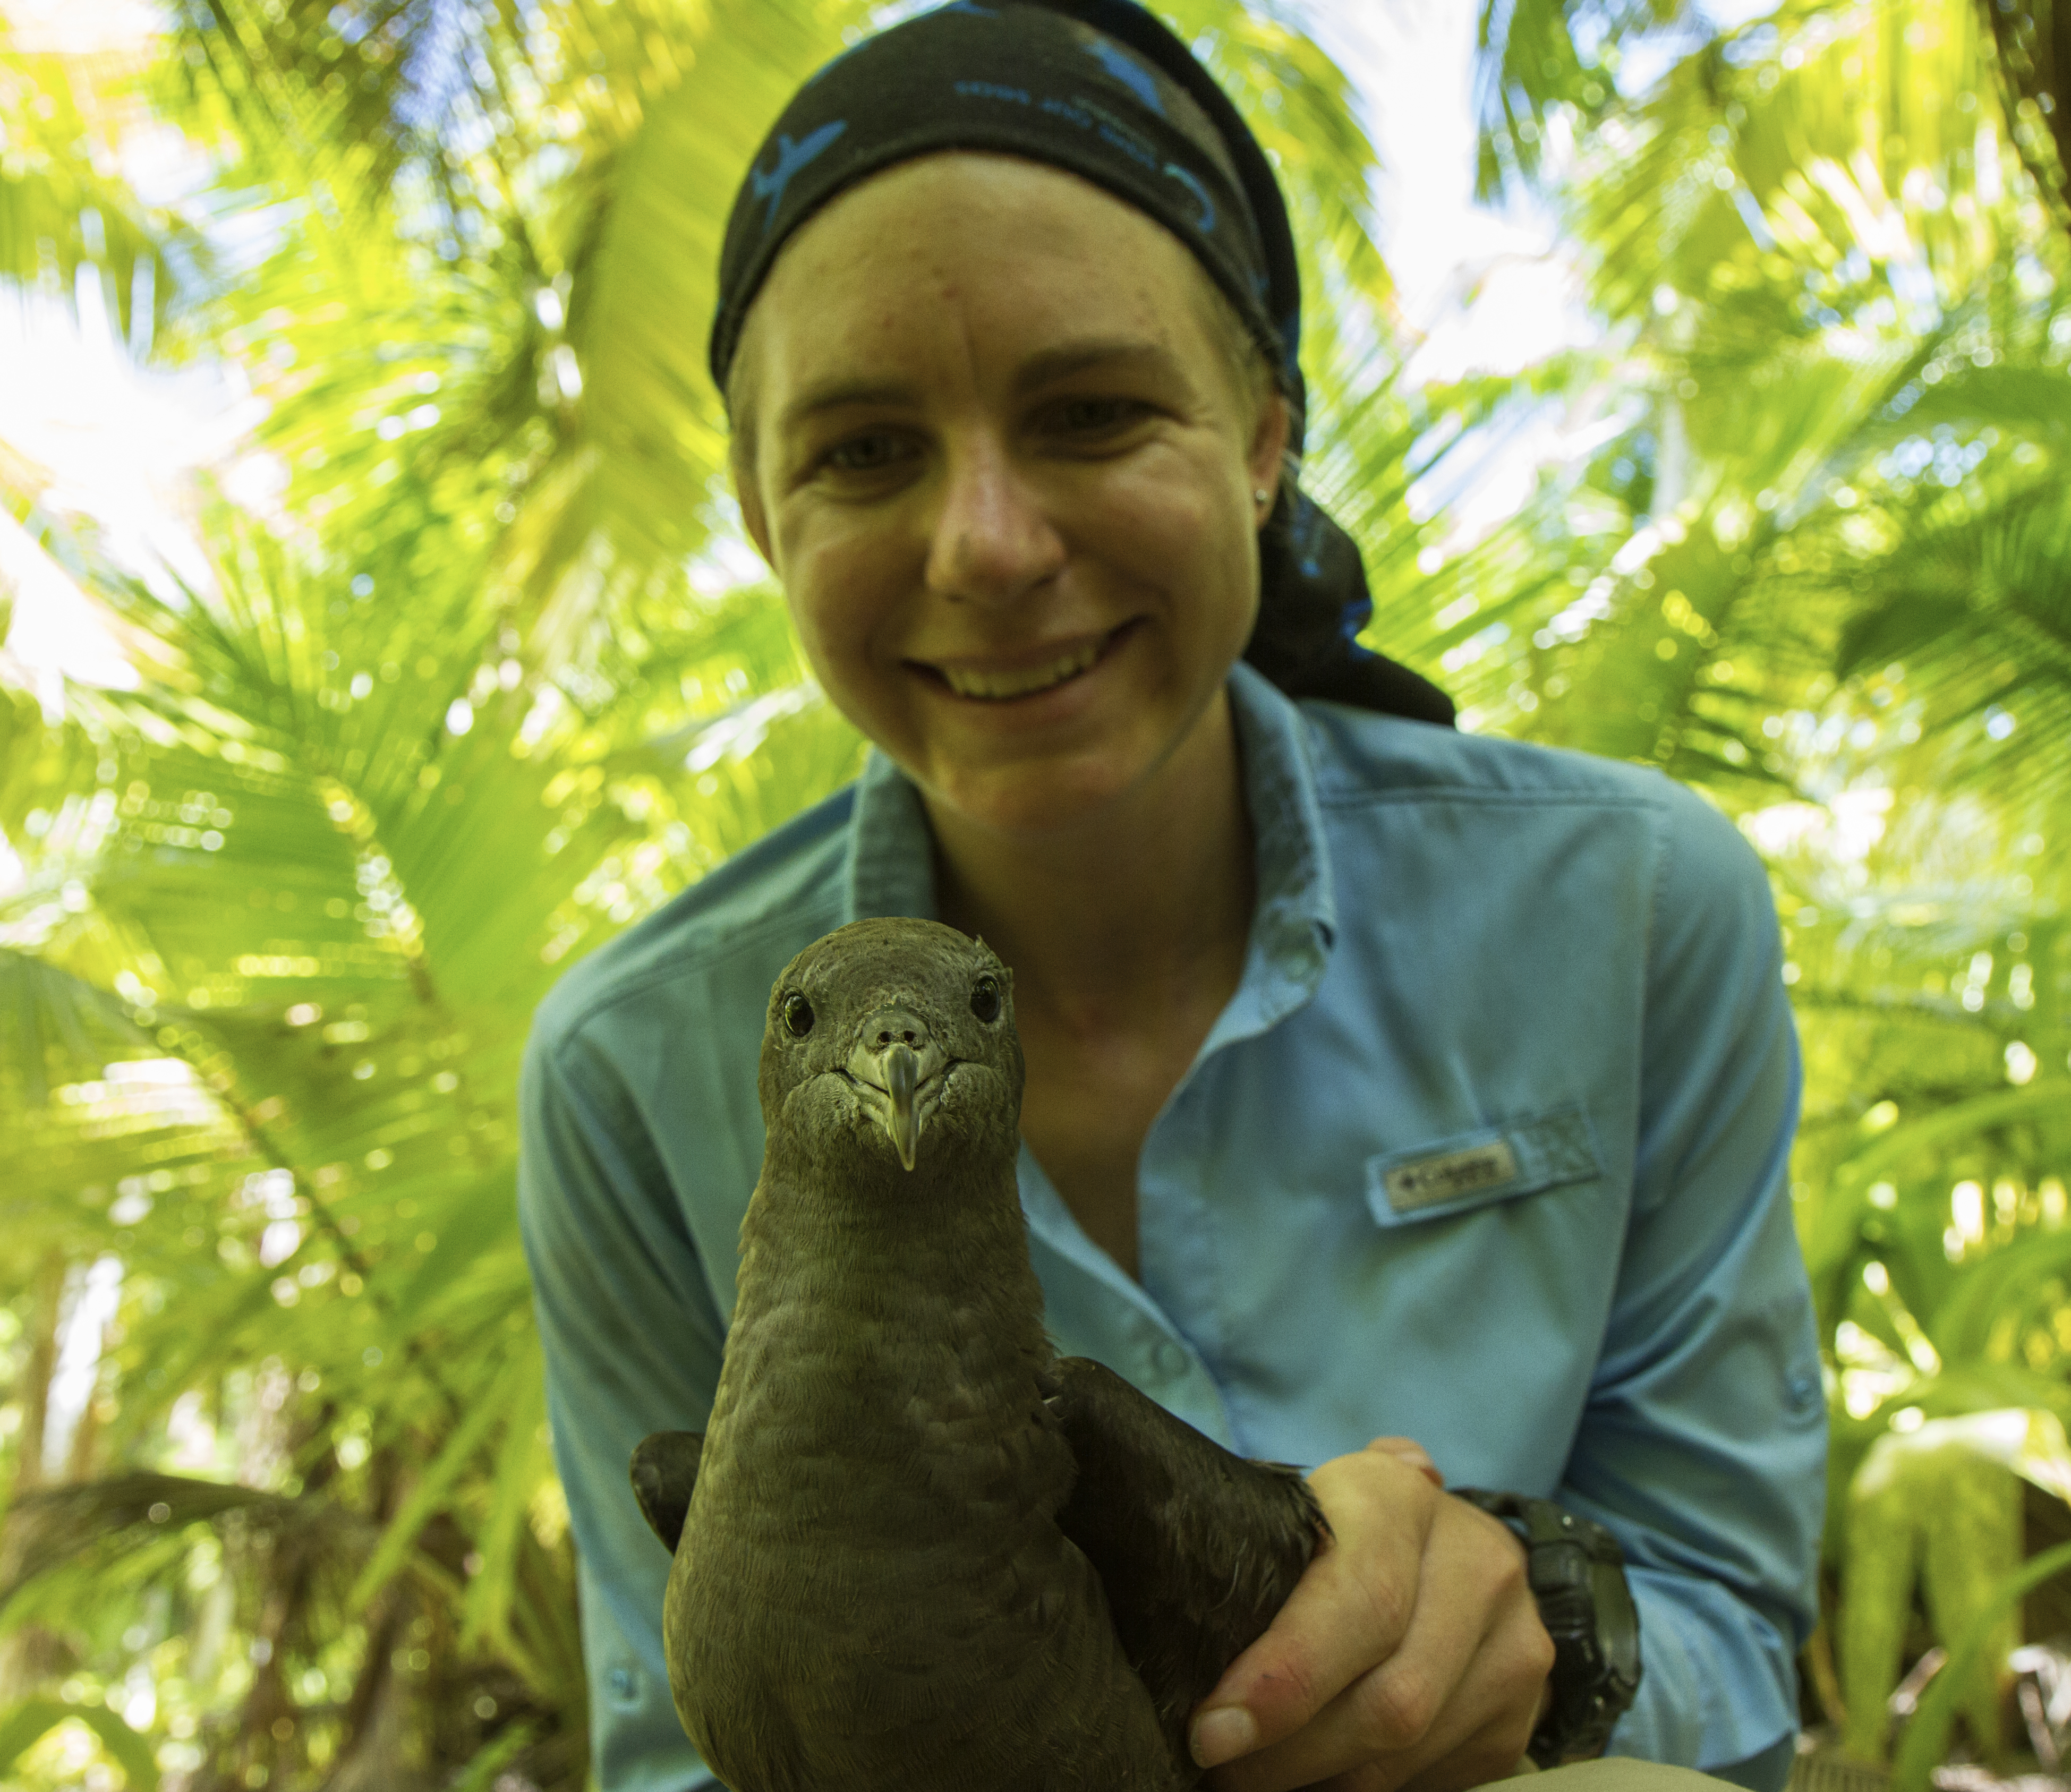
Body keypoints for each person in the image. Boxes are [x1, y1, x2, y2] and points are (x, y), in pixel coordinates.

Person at [516, 4, 1828, 1789]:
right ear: (761, 514)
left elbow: (1728, 1625)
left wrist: (1541, 1635)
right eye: (863, 451)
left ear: (1265, 437)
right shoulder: (631, 1072)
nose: (987, 545)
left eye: (1091, 412)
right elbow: (687, 1745)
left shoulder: (1623, 910)